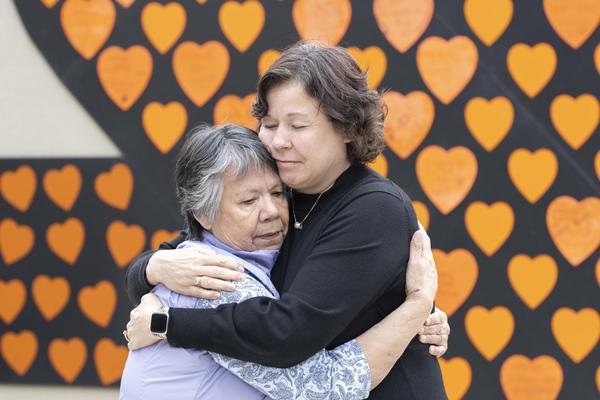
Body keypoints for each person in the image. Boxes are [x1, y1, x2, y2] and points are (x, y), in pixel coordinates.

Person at [125, 41, 449, 398]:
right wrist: (152, 269)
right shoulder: (288, 192)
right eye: (269, 123)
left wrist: (169, 323)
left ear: (348, 128)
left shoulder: (373, 209)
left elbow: (289, 333)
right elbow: (193, 246)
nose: (278, 141)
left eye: (297, 126)